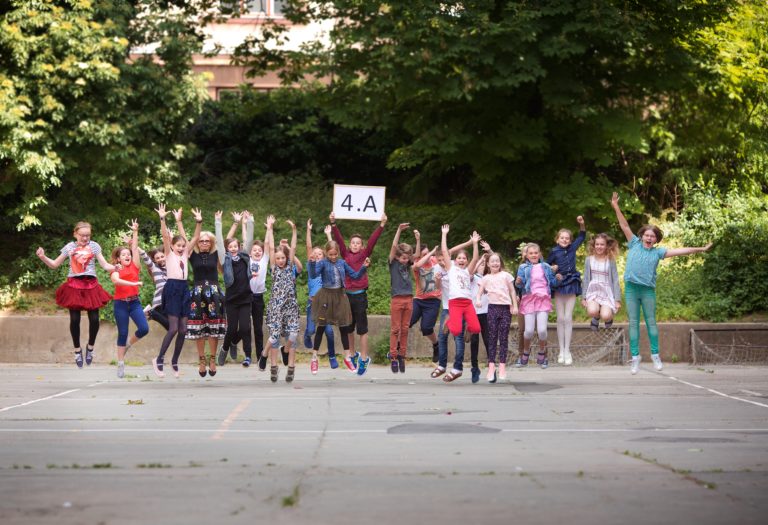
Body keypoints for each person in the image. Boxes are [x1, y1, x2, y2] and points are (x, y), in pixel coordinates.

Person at [611, 192, 712, 374]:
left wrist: (701, 249)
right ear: (642, 236)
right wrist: (616, 206)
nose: (649, 238)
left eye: (653, 236)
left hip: (647, 291)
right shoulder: (633, 243)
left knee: (651, 322)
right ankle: (635, 357)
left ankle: (655, 355)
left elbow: (681, 251)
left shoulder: (658, 252)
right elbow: (624, 225)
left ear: (656, 240)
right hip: (632, 289)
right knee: (633, 323)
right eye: (647, 235)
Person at [36, 221, 115, 368]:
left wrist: (115, 267)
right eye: (82, 235)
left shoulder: (94, 246)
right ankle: (77, 350)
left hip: (91, 285)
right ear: (75, 234)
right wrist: (43, 257)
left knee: (95, 319)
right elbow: (54, 264)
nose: (85, 238)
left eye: (88, 235)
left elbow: (104, 265)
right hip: (74, 285)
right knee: (74, 319)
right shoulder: (70, 247)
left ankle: (90, 347)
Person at [330, 211, 387, 373]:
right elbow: (339, 240)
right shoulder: (345, 254)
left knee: (362, 330)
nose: (355, 245)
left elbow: (373, 241)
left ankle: (364, 358)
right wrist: (333, 224)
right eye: (353, 243)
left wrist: (381, 225)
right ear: (350, 245)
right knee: (348, 328)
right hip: (347, 296)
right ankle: (353, 354)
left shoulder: (364, 254)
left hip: (360, 296)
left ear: (362, 246)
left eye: (358, 243)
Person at [152, 205, 201, 378]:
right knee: (173, 329)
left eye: (182, 245)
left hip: (184, 289)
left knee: (183, 329)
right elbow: (165, 236)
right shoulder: (169, 254)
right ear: (172, 246)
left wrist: (199, 222)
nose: (181, 248)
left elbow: (195, 237)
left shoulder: (185, 254)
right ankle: (159, 359)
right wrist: (162, 219)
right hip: (172, 288)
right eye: (178, 245)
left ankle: (174, 361)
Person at [308, 239, 370, 375]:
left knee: (344, 327)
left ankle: (348, 357)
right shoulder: (323, 263)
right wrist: (312, 263)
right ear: (326, 253)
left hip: (339, 296)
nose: (333, 257)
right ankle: (314, 358)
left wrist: (363, 267)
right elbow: (313, 275)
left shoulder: (342, 263)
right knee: (321, 327)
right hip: (326, 296)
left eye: (335, 254)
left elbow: (355, 276)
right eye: (330, 254)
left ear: (338, 253)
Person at [433, 225, 481, 383]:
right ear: (455, 260)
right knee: (455, 331)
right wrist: (444, 234)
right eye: (459, 258)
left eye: (464, 258)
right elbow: (445, 251)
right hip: (454, 303)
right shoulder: (451, 269)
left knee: (476, 328)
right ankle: (452, 367)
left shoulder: (468, 271)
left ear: (466, 261)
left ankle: (456, 324)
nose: (461, 260)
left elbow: (475, 258)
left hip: (467, 303)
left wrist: (475, 243)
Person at [184, 210, 227, 378]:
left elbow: (223, 241)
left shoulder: (216, 254)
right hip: (197, 294)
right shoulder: (192, 254)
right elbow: (186, 238)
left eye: (207, 241)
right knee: (199, 329)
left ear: (211, 243)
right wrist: (195, 222)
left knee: (213, 329)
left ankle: (212, 360)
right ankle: (201, 360)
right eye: (201, 240)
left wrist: (221, 222)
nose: (203, 243)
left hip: (214, 294)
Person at [215, 210, 255, 367]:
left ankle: (247, 356)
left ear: (239, 247)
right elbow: (219, 242)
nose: (233, 248)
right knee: (231, 329)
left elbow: (249, 239)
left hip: (245, 298)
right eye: (230, 246)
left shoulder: (245, 257)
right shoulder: (224, 260)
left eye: (235, 246)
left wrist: (250, 221)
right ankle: (225, 348)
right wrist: (218, 222)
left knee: (245, 328)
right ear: (227, 248)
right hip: (231, 299)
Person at [110, 219, 148, 378]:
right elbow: (116, 281)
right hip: (120, 304)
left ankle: (128, 345)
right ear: (118, 258)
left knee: (144, 329)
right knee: (123, 332)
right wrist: (134, 283)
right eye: (123, 255)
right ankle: (120, 363)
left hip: (134, 303)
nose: (127, 256)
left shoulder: (135, 266)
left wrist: (135, 231)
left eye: (128, 254)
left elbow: (134, 248)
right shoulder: (115, 269)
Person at [264, 217, 301, 382]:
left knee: (292, 336)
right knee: (275, 336)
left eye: (283, 258)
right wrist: (270, 228)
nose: (280, 260)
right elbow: (271, 247)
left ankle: (288, 358)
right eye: (278, 258)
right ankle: (274, 366)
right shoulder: (274, 269)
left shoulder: (290, 267)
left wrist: (294, 230)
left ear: (286, 258)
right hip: (276, 308)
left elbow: (293, 247)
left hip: (291, 307)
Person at [547, 216, 586, 366]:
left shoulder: (572, 248)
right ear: (557, 239)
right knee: (560, 318)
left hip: (572, 282)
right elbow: (546, 267)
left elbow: (582, 236)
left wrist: (582, 224)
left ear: (570, 241)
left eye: (567, 238)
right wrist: (553, 269)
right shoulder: (554, 251)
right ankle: (561, 350)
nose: (564, 240)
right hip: (559, 284)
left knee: (568, 317)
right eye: (562, 238)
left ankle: (567, 350)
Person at [476, 251, 518, 382]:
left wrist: (515, 305)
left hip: (505, 309)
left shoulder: (506, 275)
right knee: (492, 337)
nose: (495, 263)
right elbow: (479, 292)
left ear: (500, 263)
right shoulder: (485, 278)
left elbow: (512, 291)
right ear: (488, 264)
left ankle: (502, 365)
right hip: (492, 308)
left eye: (497, 261)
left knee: (503, 337)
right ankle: (491, 366)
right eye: (492, 261)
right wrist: (478, 300)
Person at [515, 243, 558, 369]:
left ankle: (542, 352)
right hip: (529, 299)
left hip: (543, 300)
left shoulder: (546, 266)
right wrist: (518, 282)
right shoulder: (523, 267)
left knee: (542, 330)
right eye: (531, 253)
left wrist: (557, 278)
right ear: (526, 255)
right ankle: (526, 352)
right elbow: (520, 285)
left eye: (536, 253)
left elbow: (552, 283)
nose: (534, 255)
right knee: (528, 331)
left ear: (539, 254)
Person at [304, 220, 337, 374]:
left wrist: (329, 235)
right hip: (312, 304)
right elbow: (308, 247)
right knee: (311, 330)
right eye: (315, 253)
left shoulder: (326, 266)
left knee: (329, 332)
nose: (317, 255)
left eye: (320, 254)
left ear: (324, 257)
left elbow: (332, 249)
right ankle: (307, 334)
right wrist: (308, 230)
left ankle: (332, 356)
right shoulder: (311, 266)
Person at [410, 237, 442, 365]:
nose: (429, 256)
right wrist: (431, 252)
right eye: (425, 254)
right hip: (419, 300)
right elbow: (417, 265)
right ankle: (398, 349)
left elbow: (449, 253)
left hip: (433, 301)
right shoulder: (416, 264)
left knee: (426, 328)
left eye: (429, 253)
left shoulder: (435, 261)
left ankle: (436, 345)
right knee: (407, 322)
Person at [388, 222, 415, 373]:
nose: (405, 260)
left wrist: (417, 240)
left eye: (407, 258)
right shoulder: (393, 263)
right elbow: (393, 247)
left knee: (405, 329)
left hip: (408, 299)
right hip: (397, 299)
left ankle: (402, 356)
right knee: (395, 329)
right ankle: (393, 356)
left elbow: (416, 255)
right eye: (403, 257)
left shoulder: (408, 264)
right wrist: (398, 230)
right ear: (398, 257)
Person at [582, 233, 621, 330]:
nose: (599, 246)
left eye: (602, 244)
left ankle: (608, 318)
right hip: (593, 291)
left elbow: (615, 280)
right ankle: (596, 316)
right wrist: (583, 297)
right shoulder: (589, 259)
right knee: (592, 311)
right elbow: (586, 279)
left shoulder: (610, 260)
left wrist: (617, 300)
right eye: (597, 244)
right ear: (594, 245)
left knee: (606, 315)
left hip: (607, 292)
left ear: (606, 246)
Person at [139, 245, 169, 331]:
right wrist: (135, 245)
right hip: (160, 302)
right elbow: (145, 257)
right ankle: (151, 312)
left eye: (162, 256)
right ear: (154, 260)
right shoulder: (154, 268)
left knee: (172, 327)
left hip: (170, 301)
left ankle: (151, 313)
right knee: (171, 327)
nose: (160, 259)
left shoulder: (171, 269)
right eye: (157, 258)